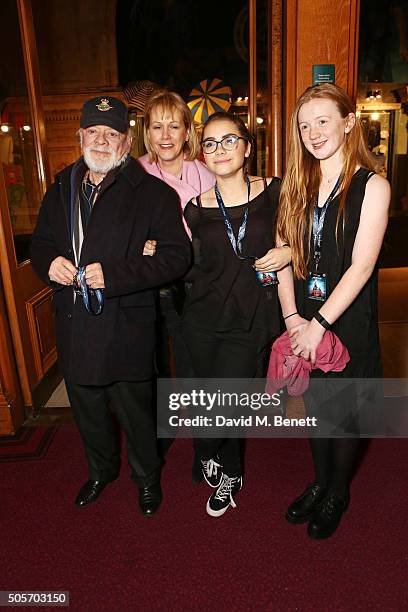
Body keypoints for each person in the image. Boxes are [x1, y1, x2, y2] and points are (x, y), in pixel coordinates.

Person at [31, 96, 191, 516]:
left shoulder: (153, 193)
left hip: (126, 326)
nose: (101, 141)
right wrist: (51, 264)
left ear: (126, 140)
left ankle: (147, 479)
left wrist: (116, 276)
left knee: (137, 414)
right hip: (75, 322)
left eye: (112, 133)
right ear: (80, 135)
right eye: (93, 132)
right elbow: (41, 243)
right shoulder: (62, 186)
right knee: (86, 410)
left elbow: (177, 256)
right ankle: (101, 471)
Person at [276, 83, 390, 539]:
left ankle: (338, 491)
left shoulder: (372, 186)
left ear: (348, 122)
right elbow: (282, 252)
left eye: (323, 121)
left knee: (342, 412)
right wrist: (292, 320)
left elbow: (362, 267)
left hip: (346, 318)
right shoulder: (296, 183)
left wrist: (319, 326)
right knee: (314, 406)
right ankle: (320, 481)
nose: (313, 132)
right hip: (302, 317)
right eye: (304, 124)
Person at [182, 111, 291, 517]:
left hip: (250, 319)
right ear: (203, 155)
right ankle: (232, 469)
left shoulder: (274, 191)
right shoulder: (195, 209)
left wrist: (290, 252)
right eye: (210, 143)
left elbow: (305, 235)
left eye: (229, 140)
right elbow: (192, 265)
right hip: (202, 320)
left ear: (247, 146)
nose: (219, 149)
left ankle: (214, 455)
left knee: (226, 404)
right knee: (215, 398)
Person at [138, 90, 214, 380]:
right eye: (157, 127)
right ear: (148, 133)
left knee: (190, 355)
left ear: (186, 132)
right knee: (151, 357)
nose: (165, 135)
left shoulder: (207, 174)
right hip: (149, 281)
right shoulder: (135, 174)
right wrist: (138, 243)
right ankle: (161, 423)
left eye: (174, 126)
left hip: (197, 280)